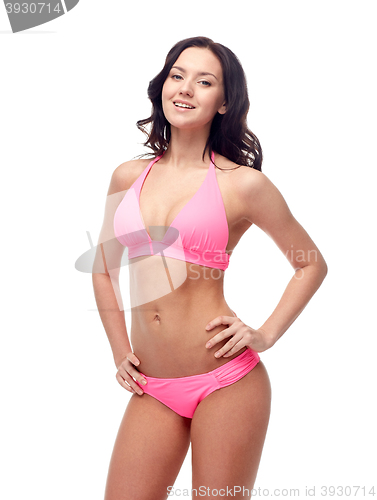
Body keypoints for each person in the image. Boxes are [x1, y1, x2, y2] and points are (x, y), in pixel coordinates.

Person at [92, 36, 328, 500]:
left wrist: (265, 334)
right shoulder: (127, 176)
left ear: (224, 102)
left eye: (204, 81)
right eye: (177, 76)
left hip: (226, 382)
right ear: (162, 86)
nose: (185, 89)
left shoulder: (242, 184)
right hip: (153, 385)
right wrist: (120, 351)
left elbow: (310, 264)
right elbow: (103, 269)